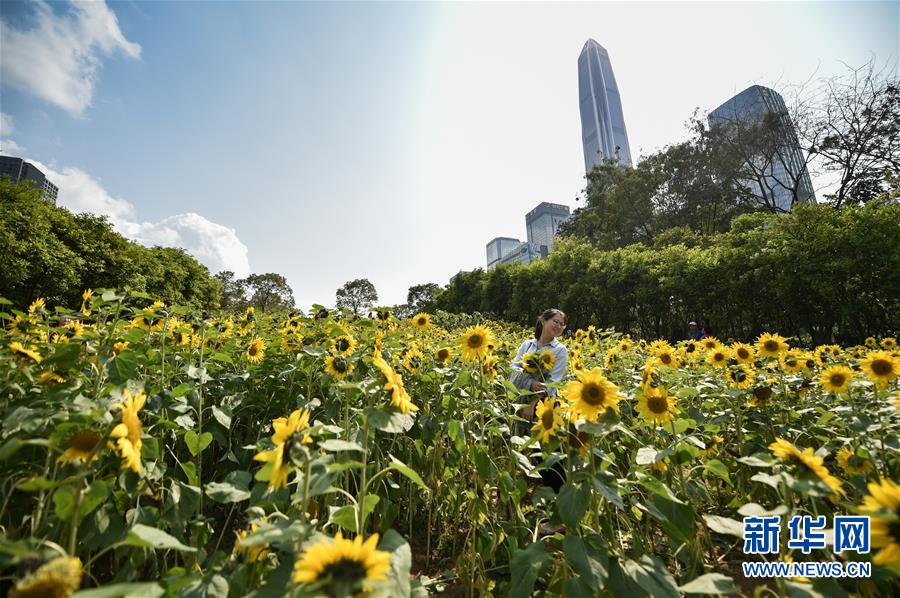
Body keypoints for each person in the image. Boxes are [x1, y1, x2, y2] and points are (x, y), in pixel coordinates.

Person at [510, 309, 568, 496]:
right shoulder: (527, 345)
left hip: (546, 406)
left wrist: (532, 403)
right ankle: (535, 494)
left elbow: (552, 383)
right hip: (521, 402)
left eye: (562, 324)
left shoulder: (560, 350)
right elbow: (514, 373)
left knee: (549, 452)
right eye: (555, 321)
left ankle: (558, 497)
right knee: (525, 448)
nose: (558, 326)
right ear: (543, 321)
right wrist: (530, 383)